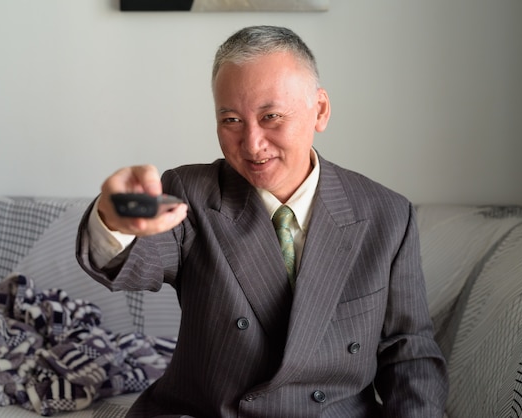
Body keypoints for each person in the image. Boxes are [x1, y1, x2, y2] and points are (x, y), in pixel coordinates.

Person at [76, 25, 448, 417]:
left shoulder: (387, 214)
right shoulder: (191, 191)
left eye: (271, 116)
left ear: (319, 110)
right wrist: (113, 219)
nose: (252, 144)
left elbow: (408, 351)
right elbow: (137, 262)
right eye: (232, 120)